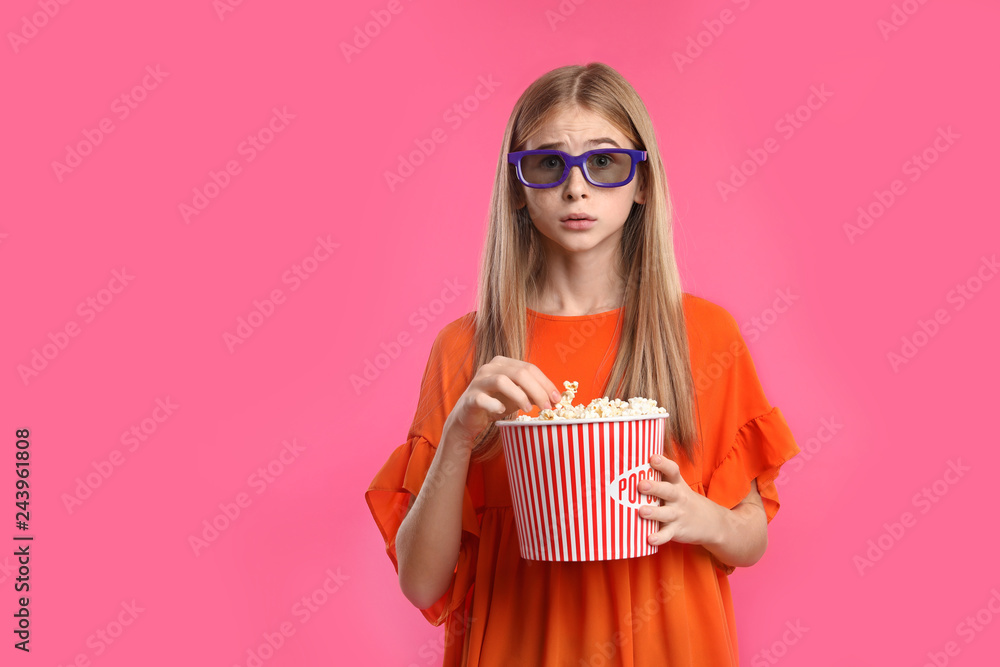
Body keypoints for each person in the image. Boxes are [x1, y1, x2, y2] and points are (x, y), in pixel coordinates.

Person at [364, 62, 802, 666]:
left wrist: (703, 518)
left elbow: (751, 536)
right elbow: (420, 582)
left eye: (604, 162)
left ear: (642, 181)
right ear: (517, 187)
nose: (577, 188)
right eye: (549, 164)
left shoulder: (704, 335)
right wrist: (459, 437)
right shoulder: (466, 350)